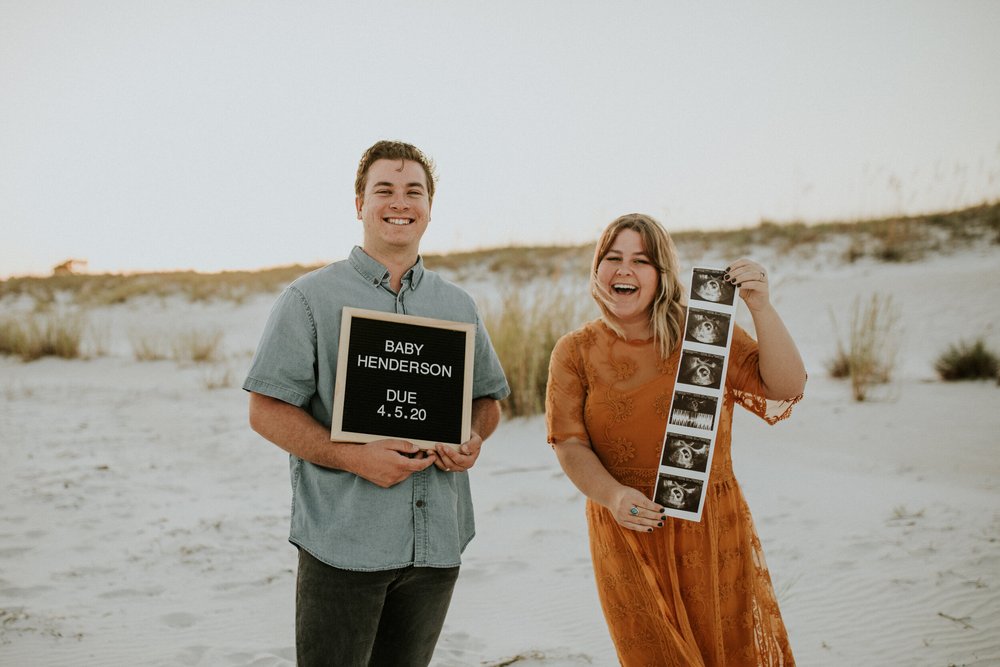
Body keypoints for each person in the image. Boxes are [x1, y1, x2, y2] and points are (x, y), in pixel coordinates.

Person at [244, 140, 510, 667]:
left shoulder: (456, 305)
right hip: (346, 544)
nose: (400, 201)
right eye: (383, 189)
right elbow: (265, 410)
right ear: (359, 204)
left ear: (430, 208)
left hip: (436, 543)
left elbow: (487, 399)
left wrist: (474, 438)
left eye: (414, 191)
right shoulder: (308, 299)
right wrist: (352, 456)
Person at [545, 213, 806, 666]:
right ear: (597, 268)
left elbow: (784, 387)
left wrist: (760, 306)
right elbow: (569, 445)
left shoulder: (702, 331)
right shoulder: (575, 351)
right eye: (613, 257)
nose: (624, 270)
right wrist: (612, 495)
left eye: (640, 261)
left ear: (662, 274)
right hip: (627, 525)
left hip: (709, 525)